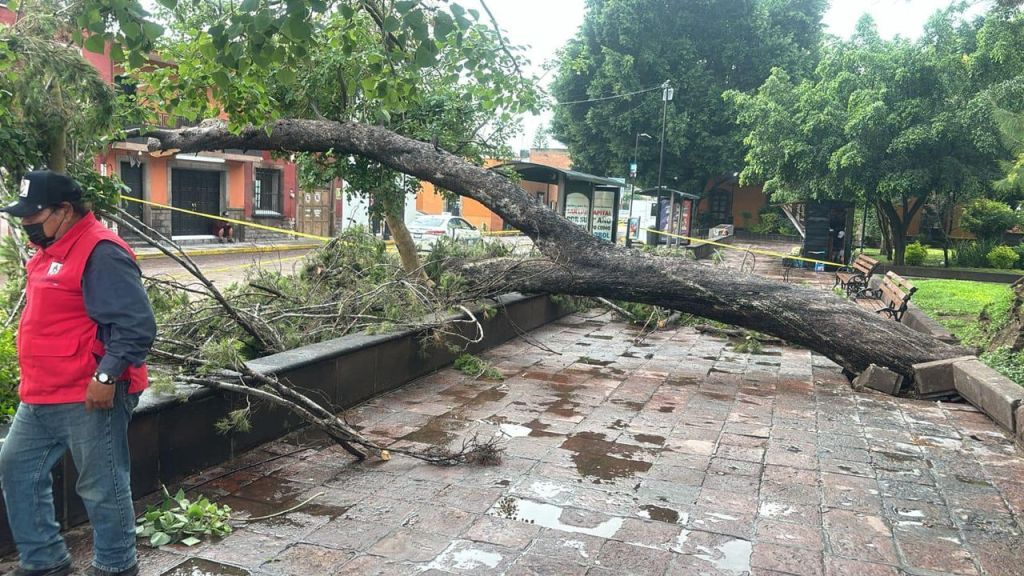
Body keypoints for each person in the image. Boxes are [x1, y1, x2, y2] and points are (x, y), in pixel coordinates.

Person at [0, 171, 156, 576]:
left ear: (64, 210)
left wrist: (106, 378)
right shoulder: (50, 247)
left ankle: (116, 566)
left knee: (101, 486)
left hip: (88, 392)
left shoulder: (100, 252)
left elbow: (136, 325)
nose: (26, 224)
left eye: (33, 216)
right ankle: (45, 561)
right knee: (17, 468)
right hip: (42, 392)